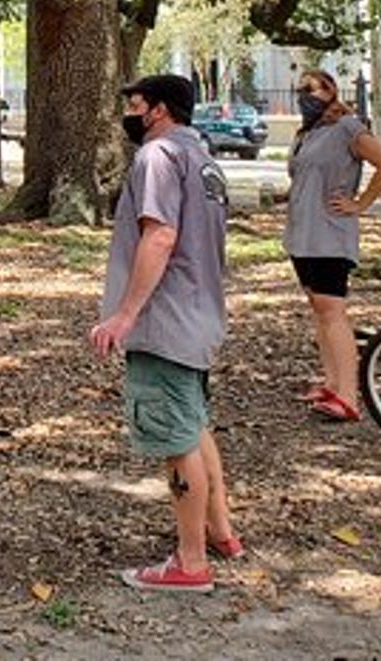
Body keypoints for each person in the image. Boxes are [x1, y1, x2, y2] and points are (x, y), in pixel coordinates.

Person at [90, 74, 239, 593]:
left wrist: (125, 315)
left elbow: (160, 234)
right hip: (200, 313)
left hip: (165, 318)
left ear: (157, 110)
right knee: (195, 424)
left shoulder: (156, 158)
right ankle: (220, 530)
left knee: (176, 441)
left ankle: (190, 562)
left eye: (134, 104)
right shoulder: (204, 160)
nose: (129, 114)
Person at [283, 68, 381, 422]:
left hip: (331, 235)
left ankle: (349, 395)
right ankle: (331, 383)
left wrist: (360, 203)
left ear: (330, 92)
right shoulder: (305, 134)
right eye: (300, 90)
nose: (305, 96)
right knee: (319, 310)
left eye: (312, 90)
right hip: (302, 234)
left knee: (333, 312)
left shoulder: (348, 128)